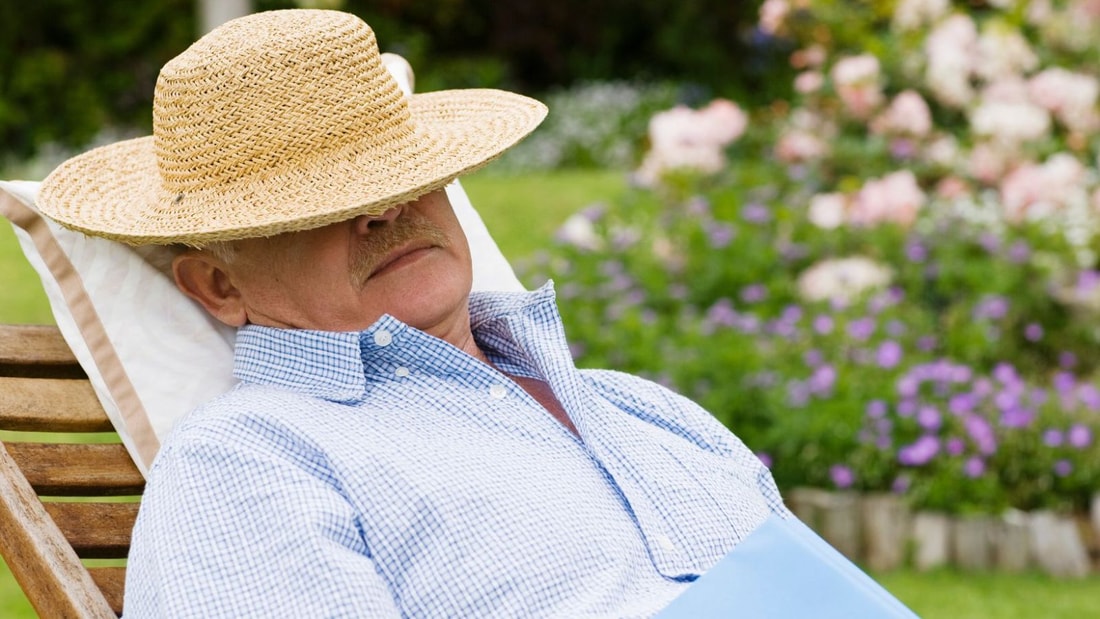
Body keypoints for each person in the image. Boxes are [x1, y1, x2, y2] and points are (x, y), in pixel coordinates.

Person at [37, 9, 790, 618]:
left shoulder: (642, 408)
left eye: (407, 176)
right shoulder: (249, 458)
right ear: (217, 287)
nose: (388, 210)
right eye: (315, 208)